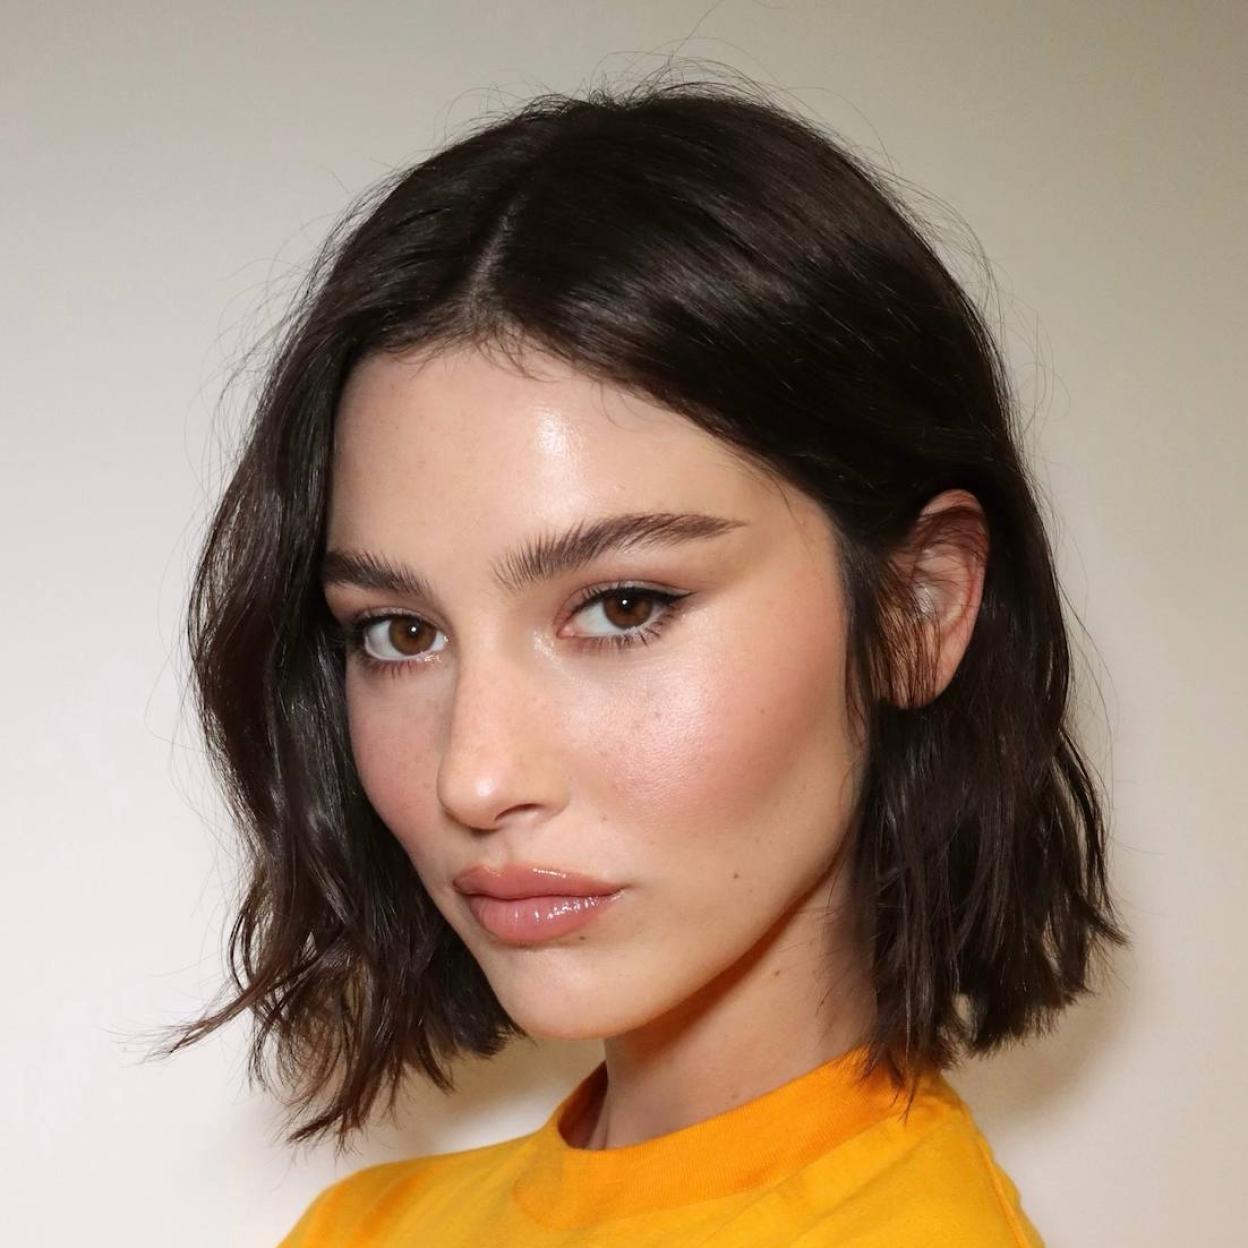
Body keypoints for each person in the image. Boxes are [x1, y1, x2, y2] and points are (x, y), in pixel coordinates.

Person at [155, 73, 1127, 1245]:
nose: (474, 777)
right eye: (400, 632)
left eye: (622, 607)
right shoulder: (366, 1227)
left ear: (917, 609)